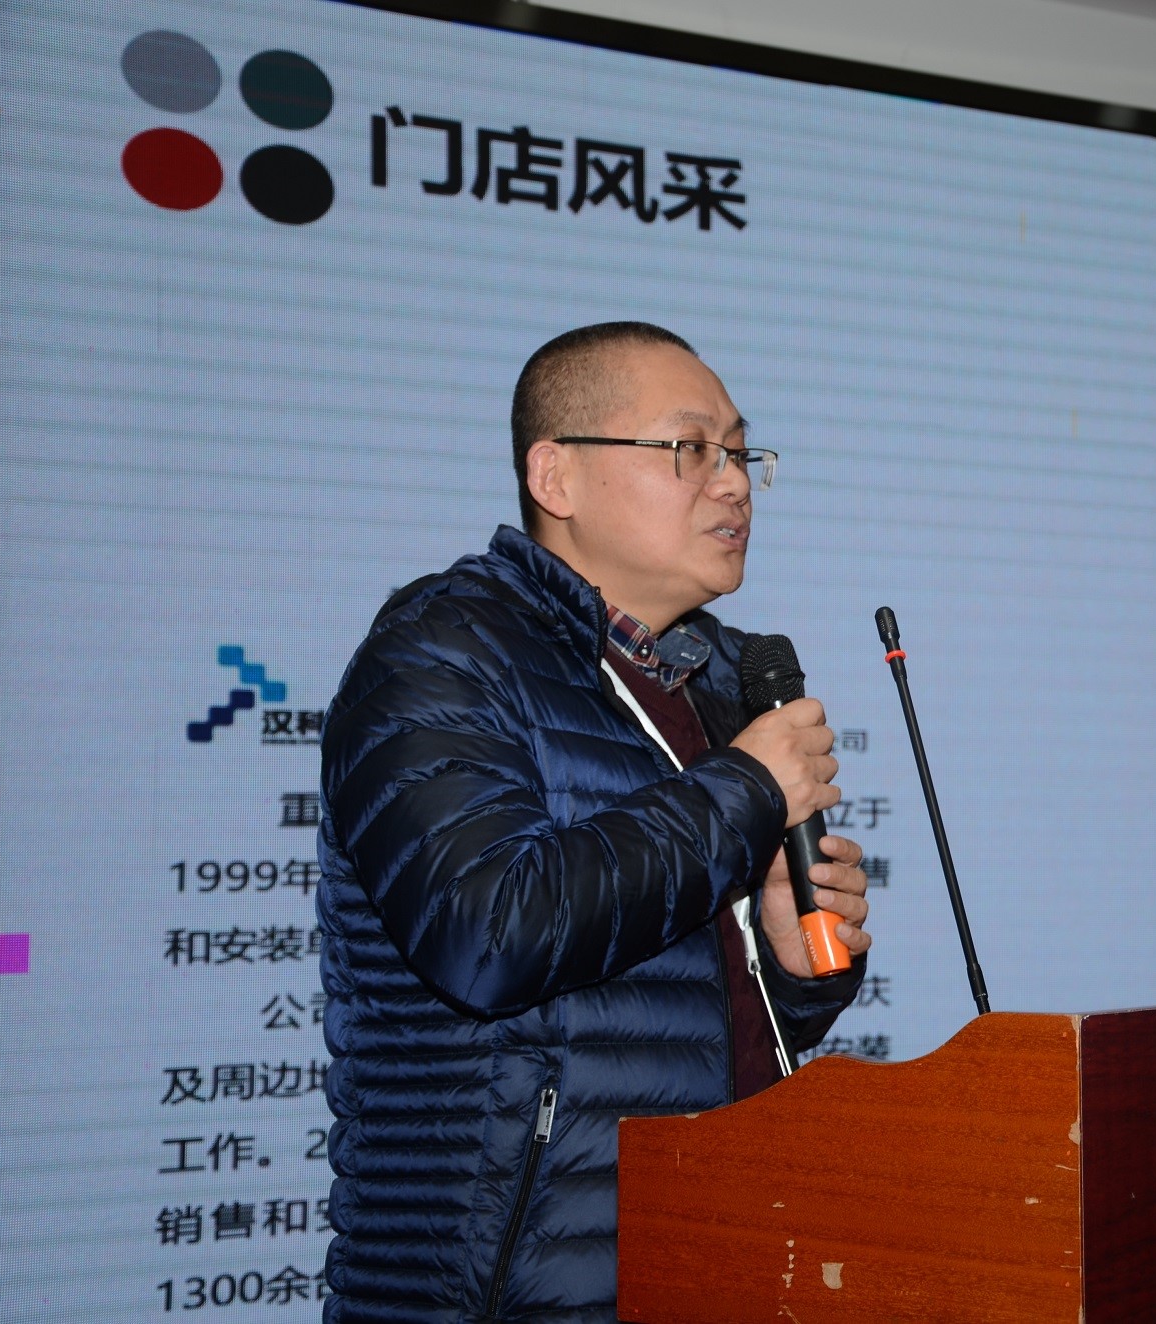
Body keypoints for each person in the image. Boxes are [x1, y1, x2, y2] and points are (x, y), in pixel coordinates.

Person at [316, 321, 870, 1323]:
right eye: (690, 448)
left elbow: (657, 1021)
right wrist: (745, 790)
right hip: (507, 1294)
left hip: (713, 1259)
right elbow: (488, 933)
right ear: (555, 476)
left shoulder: (719, 679)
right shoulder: (442, 653)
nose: (734, 484)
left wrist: (784, 971)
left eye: (741, 452)